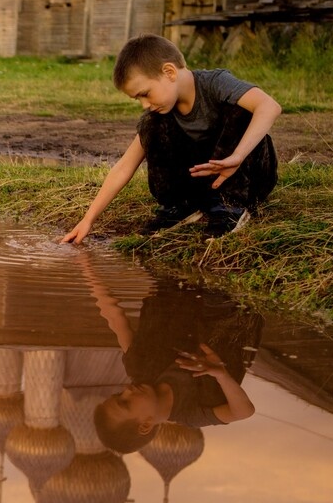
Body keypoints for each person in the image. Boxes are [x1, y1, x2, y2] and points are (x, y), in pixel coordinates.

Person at [60, 34, 281, 244]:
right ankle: (181, 206)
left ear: (169, 72)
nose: (144, 104)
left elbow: (270, 106)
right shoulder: (160, 112)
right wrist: (88, 219)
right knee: (149, 122)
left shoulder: (216, 83)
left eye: (145, 93)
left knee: (241, 107)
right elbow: (124, 166)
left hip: (250, 177)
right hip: (204, 178)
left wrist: (238, 156)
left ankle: (230, 207)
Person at [78, 252, 261, 453]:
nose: (127, 389)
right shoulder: (192, 413)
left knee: (157, 251)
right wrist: (220, 374)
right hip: (229, 307)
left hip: (174, 285)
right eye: (125, 403)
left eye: (119, 394)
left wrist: (86, 267)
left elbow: (115, 318)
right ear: (145, 425)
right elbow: (243, 412)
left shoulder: (139, 367)